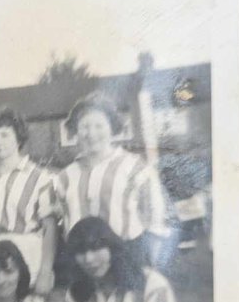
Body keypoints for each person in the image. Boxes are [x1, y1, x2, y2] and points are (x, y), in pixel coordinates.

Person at [55, 91, 170, 268]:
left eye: (99, 126)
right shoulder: (65, 177)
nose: (91, 133)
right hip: (83, 263)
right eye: (84, 126)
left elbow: (155, 221)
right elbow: (65, 223)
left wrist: (149, 264)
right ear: (76, 131)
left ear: (112, 128)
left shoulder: (135, 168)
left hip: (126, 257)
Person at [0, 107, 58, 296]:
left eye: (5, 135)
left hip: (27, 255)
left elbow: (50, 229)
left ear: (18, 137)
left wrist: (45, 271)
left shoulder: (39, 177)